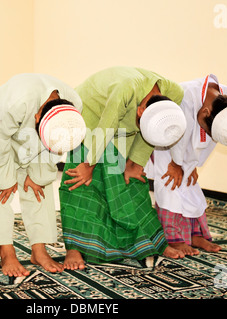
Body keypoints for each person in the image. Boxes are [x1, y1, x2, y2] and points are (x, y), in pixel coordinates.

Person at [59, 66, 189, 270]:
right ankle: (74, 248)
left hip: (123, 126)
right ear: (140, 111)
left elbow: (154, 131)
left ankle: (154, 242)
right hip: (90, 114)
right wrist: (88, 164)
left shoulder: (174, 95)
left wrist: (135, 163)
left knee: (133, 181)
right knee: (81, 181)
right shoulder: (125, 90)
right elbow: (107, 125)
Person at [0, 73, 84, 277]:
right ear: (36, 116)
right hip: (2, 134)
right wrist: (5, 179)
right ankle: (7, 252)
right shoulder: (17, 103)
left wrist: (38, 176)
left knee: (39, 188)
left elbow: (60, 144)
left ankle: (39, 250)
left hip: (43, 141)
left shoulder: (73, 107)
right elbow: (1, 142)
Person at [145, 74, 227, 256]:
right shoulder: (184, 95)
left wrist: (193, 164)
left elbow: (212, 139)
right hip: (167, 139)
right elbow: (178, 137)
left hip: (186, 144)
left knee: (189, 184)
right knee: (169, 184)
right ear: (205, 112)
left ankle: (195, 235)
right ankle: (173, 238)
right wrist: (176, 164)